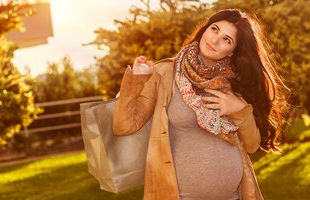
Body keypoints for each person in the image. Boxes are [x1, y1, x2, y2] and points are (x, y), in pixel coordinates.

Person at [113, 8, 288, 200]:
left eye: (226, 40)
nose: (215, 40)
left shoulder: (234, 83)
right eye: (214, 29)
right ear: (205, 28)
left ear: (232, 51)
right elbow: (124, 125)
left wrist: (239, 111)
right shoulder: (166, 73)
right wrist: (136, 80)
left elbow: (252, 145)